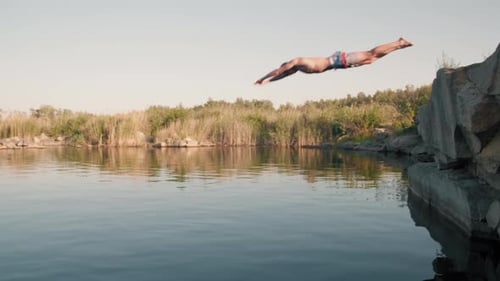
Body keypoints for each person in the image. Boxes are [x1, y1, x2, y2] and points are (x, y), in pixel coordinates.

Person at [254, 37, 413, 85]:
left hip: (339, 59)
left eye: (287, 69)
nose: (288, 71)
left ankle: (398, 42)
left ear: (286, 64)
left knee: (370, 53)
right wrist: (269, 83)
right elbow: (283, 75)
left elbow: (279, 71)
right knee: (371, 60)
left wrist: (262, 78)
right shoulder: (297, 69)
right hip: (339, 64)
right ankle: (398, 47)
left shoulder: (297, 61)